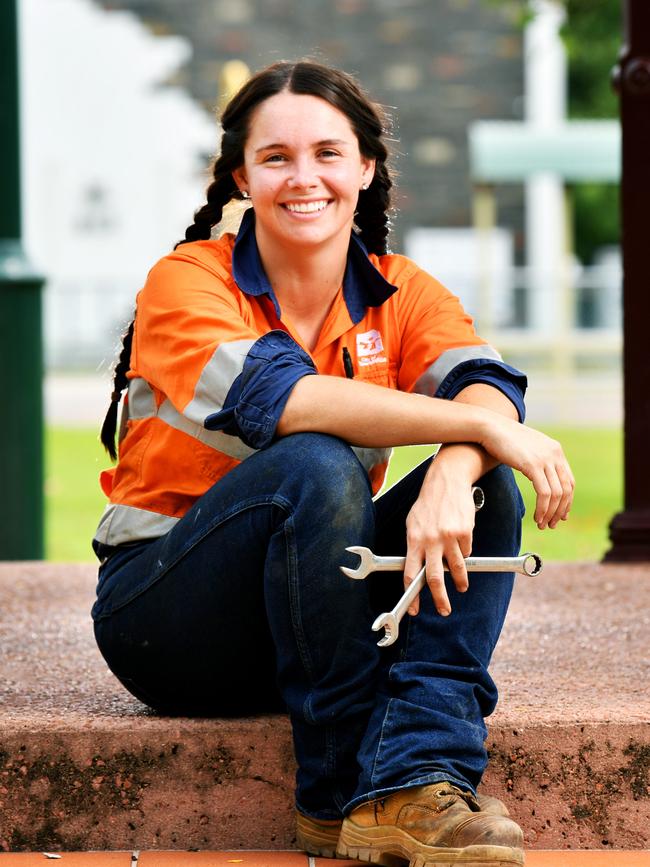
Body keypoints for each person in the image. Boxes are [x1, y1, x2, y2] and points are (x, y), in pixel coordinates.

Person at [91, 60, 574, 867]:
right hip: (172, 620)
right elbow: (285, 401)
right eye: (276, 157)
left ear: (366, 168)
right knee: (313, 460)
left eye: (327, 152)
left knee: (486, 480)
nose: (303, 176)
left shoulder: (399, 289)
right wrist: (490, 429)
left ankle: (414, 778)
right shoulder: (186, 282)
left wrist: (462, 463)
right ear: (242, 175)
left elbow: (485, 383)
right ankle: (339, 787)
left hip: (321, 613)